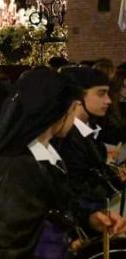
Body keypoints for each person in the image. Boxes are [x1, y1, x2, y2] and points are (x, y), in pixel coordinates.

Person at [0, 68, 90, 258]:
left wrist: (88, 219)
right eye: (74, 107)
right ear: (57, 110)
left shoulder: (45, 153)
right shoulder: (18, 166)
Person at [56, 66, 126, 238]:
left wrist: (115, 176)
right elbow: (75, 189)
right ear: (78, 98)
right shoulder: (67, 138)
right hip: (79, 231)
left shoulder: (86, 132)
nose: (108, 100)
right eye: (101, 93)